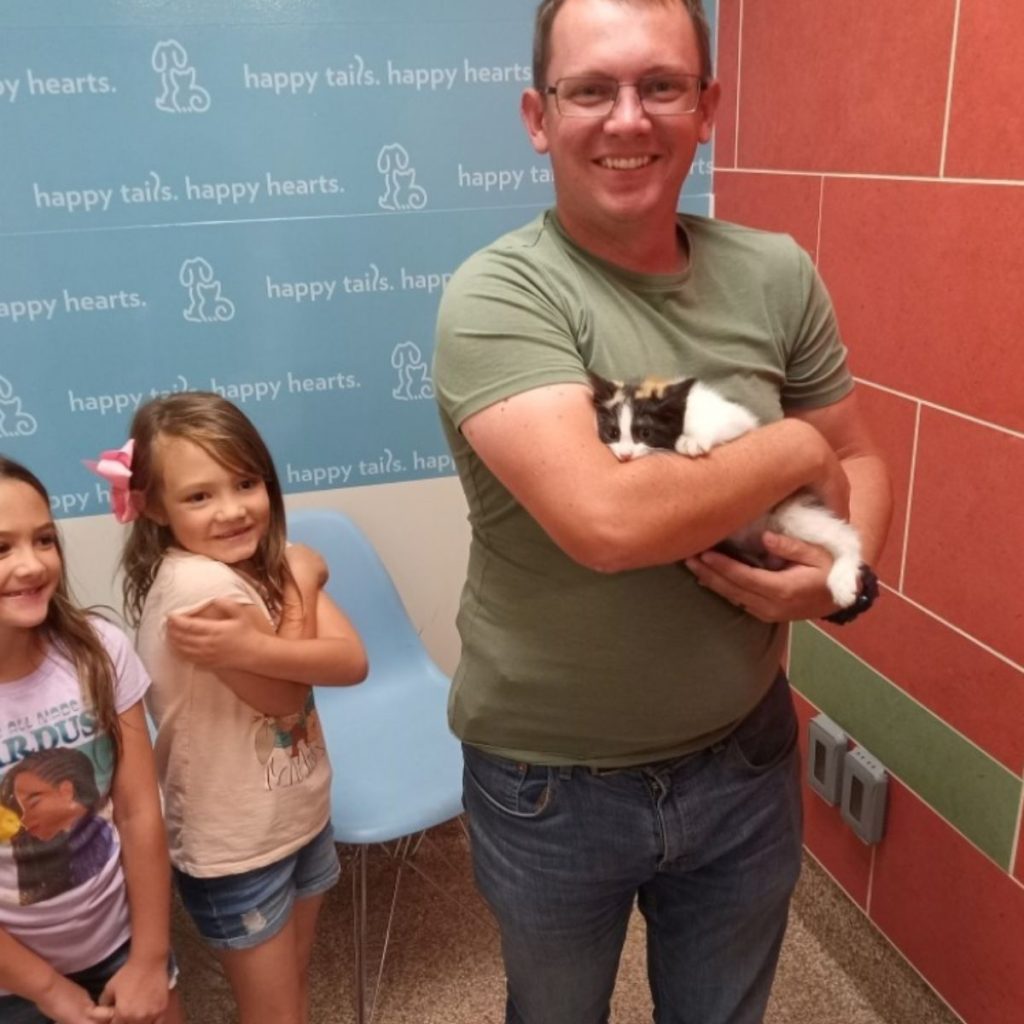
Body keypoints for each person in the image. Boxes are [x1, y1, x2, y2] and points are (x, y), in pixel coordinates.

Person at [432, 1, 893, 1022]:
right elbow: (607, 523)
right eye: (589, 89)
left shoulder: (774, 272)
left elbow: (858, 450)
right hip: (551, 779)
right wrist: (789, 445)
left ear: (706, 107)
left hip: (744, 748)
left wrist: (843, 569)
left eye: (660, 86)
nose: (627, 118)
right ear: (538, 117)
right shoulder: (500, 295)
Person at [98, 393, 368, 1024]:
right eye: (199, 496)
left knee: (291, 989)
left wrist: (275, 604)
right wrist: (302, 579)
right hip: (238, 845)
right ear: (154, 508)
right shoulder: (202, 588)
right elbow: (286, 695)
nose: (231, 509)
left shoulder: (253, 564)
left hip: (295, 814)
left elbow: (351, 662)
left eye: (245, 483)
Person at [0, 456, 182, 1024]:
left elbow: (135, 809)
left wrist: (150, 959)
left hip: (123, 941)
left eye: (44, 539)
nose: (31, 565)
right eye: (0, 548)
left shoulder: (98, 652)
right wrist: (48, 990)